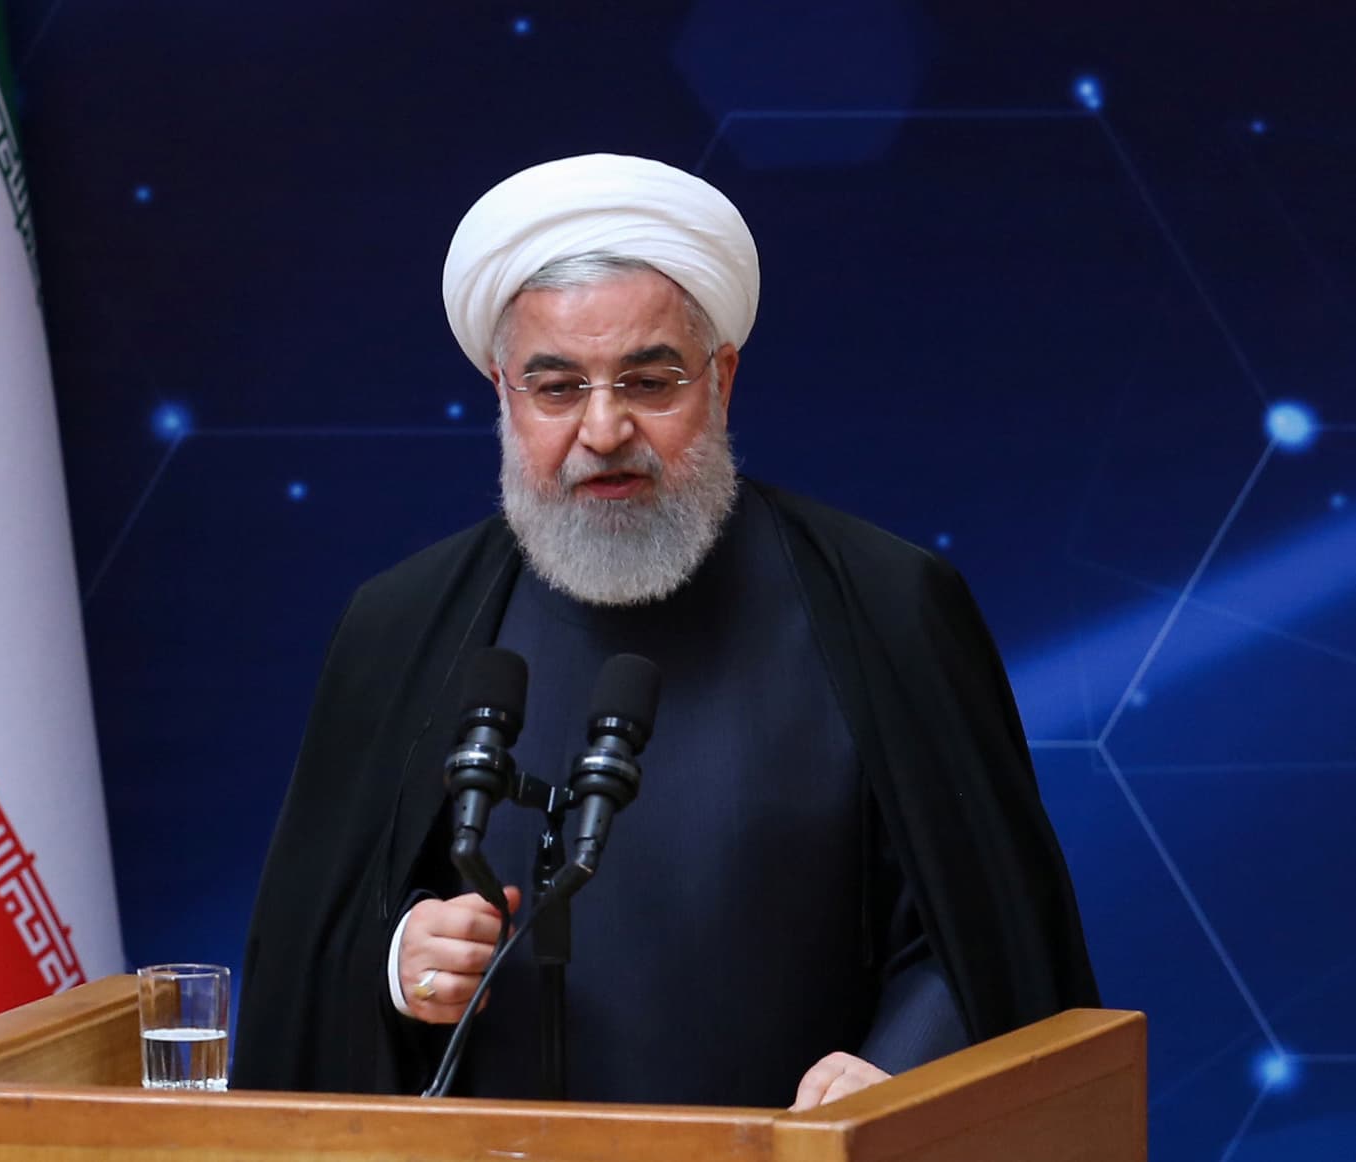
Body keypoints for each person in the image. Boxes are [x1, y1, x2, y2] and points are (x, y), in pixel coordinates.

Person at [230, 154, 1098, 1109]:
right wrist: (402, 958)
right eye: (557, 388)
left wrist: (896, 1073)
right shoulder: (400, 623)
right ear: (502, 390)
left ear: (721, 376)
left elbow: (986, 939)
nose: (603, 429)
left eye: (648, 382)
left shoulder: (887, 604)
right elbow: (309, 954)